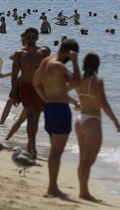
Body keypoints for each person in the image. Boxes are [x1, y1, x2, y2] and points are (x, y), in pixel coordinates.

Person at [33, 38, 81, 198]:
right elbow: (78, 81)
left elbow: (36, 81)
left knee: (55, 150)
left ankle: (53, 186)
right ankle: (52, 188)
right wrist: (75, 61)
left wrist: (46, 99)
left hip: (50, 108)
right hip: (60, 110)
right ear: (69, 52)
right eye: (71, 56)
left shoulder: (47, 61)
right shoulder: (59, 66)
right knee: (56, 151)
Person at [74, 52, 120, 202]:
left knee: (83, 161)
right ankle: (84, 193)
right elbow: (104, 104)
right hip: (92, 122)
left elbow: (81, 98)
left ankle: (83, 191)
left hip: (80, 120)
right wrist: (115, 121)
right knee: (88, 162)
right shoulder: (98, 82)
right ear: (97, 66)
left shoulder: (79, 80)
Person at [10, 27, 50, 157]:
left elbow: (48, 71)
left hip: (40, 88)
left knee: (36, 119)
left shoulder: (44, 51)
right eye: (29, 37)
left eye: (34, 37)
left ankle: (30, 145)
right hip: (25, 87)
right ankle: (33, 148)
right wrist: (15, 94)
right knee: (30, 116)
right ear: (25, 38)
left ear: (37, 38)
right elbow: (14, 74)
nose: (31, 40)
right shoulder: (19, 53)